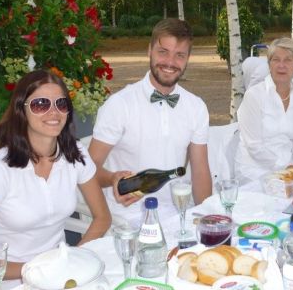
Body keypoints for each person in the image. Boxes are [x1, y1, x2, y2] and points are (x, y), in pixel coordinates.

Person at [0, 70, 110, 281]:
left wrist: (74, 259)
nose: (54, 112)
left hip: (60, 276)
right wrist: (37, 270)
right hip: (12, 279)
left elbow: (102, 217)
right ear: (22, 110)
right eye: (41, 104)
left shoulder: (74, 153)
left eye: (61, 103)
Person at [88, 18, 212, 224]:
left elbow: (200, 171)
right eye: (163, 52)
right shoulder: (119, 105)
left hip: (177, 214)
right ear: (149, 51)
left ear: (188, 58)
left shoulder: (196, 107)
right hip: (128, 219)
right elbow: (88, 169)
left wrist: (208, 217)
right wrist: (112, 179)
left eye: (179, 55)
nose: (170, 62)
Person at [235, 38, 293, 181]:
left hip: (289, 169)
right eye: (276, 60)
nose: (281, 65)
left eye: (288, 60)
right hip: (254, 171)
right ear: (269, 64)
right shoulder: (254, 95)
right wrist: (287, 168)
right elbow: (254, 146)